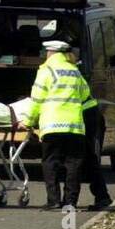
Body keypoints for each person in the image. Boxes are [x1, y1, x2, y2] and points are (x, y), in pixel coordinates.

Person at [19, 39, 89, 209]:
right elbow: (85, 94)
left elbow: (36, 100)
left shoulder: (46, 71)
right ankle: (70, 202)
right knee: (73, 164)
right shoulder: (74, 71)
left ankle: (54, 200)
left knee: (51, 163)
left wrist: (27, 122)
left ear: (50, 53)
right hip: (74, 126)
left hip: (52, 125)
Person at [78, 61, 112, 211]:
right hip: (87, 116)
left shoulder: (49, 73)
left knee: (80, 160)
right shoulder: (71, 71)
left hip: (83, 118)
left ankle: (68, 201)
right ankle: (102, 197)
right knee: (87, 159)